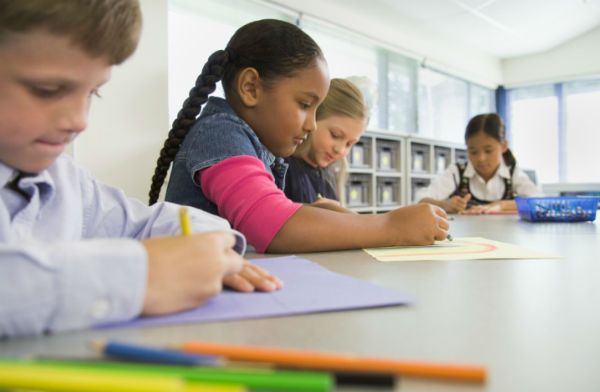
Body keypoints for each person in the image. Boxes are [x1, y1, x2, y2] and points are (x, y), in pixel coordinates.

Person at [0, 0, 280, 339]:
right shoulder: (220, 129)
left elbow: (140, 222)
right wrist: (136, 276)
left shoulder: (63, 177)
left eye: (93, 93)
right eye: (46, 90)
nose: (79, 121)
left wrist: (210, 244)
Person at [149, 19, 448, 254]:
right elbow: (272, 226)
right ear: (251, 88)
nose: (312, 126)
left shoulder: (253, 144)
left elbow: (263, 216)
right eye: (305, 105)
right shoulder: (219, 133)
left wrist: (314, 214)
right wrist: (390, 227)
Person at [417, 113, 541, 214]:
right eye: (473, 151)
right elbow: (421, 200)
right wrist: (444, 204)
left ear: (503, 146)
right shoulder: (457, 172)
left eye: (488, 151)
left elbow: (539, 201)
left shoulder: (512, 172)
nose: (481, 158)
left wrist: (502, 205)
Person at [283, 78, 367, 214]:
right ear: (312, 119)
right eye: (335, 135)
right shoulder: (283, 167)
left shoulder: (328, 176)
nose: (340, 150)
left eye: (349, 144)